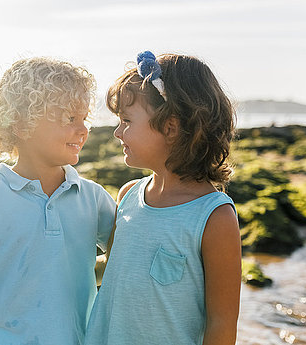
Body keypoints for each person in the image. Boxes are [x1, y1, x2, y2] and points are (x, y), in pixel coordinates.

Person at [0, 57, 116, 345]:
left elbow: (126, 255)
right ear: (21, 125)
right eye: (69, 119)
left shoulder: (93, 198)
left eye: (83, 118)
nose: (83, 129)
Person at [85, 51, 241, 345]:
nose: (117, 132)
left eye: (127, 121)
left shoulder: (214, 216)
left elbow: (221, 323)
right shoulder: (128, 195)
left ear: (170, 127)